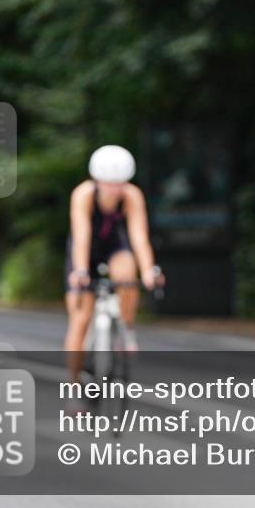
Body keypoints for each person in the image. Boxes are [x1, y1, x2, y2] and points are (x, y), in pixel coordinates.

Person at [63, 145, 164, 405]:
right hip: (84, 252)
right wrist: (81, 271)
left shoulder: (132, 196)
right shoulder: (83, 194)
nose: (113, 190)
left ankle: (126, 328)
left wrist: (149, 270)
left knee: (127, 268)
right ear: (96, 180)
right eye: (108, 184)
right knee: (80, 319)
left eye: (119, 184)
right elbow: (82, 235)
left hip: (114, 248)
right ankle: (74, 388)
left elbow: (139, 237)